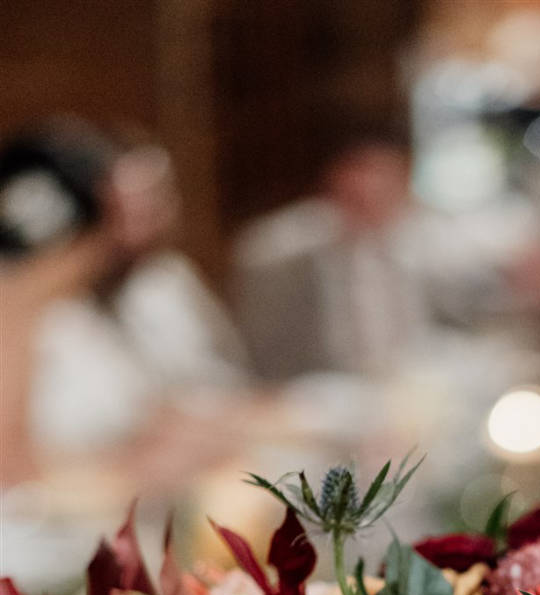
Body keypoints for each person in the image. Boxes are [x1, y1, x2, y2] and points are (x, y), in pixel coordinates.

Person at [0, 119, 247, 488]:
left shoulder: (66, 307)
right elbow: (14, 478)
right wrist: (129, 475)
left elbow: (133, 419)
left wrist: (163, 440)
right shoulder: (23, 306)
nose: (119, 241)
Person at [234, 138, 433, 382]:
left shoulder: (417, 237)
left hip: (406, 377)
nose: (369, 198)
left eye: (382, 190)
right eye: (356, 194)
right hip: (320, 385)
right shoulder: (289, 245)